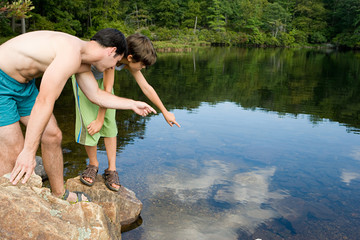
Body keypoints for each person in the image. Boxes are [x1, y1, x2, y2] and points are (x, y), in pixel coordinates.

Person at [0, 29, 156, 203]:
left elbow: (95, 94)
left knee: (53, 135)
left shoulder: (82, 60)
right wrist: (29, 151)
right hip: (1, 80)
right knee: (15, 148)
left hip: (24, 85)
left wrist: (132, 104)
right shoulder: (70, 53)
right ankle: (7, 203)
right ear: (111, 51)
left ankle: (59, 194)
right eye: (116, 61)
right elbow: (44, 101)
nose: (113, 67)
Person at [72, 33, 180, 191]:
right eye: (142, 65)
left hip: (105, 86)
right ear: (130, 57)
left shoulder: (127, 62)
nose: (143, 68)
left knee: (110, 126)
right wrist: (98, 119)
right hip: (85, 83)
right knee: (91, 123)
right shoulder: (112, 59)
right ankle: (93, 164)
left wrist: (164, 111)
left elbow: (146, 87)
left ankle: (112, 169)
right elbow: (106, 90)